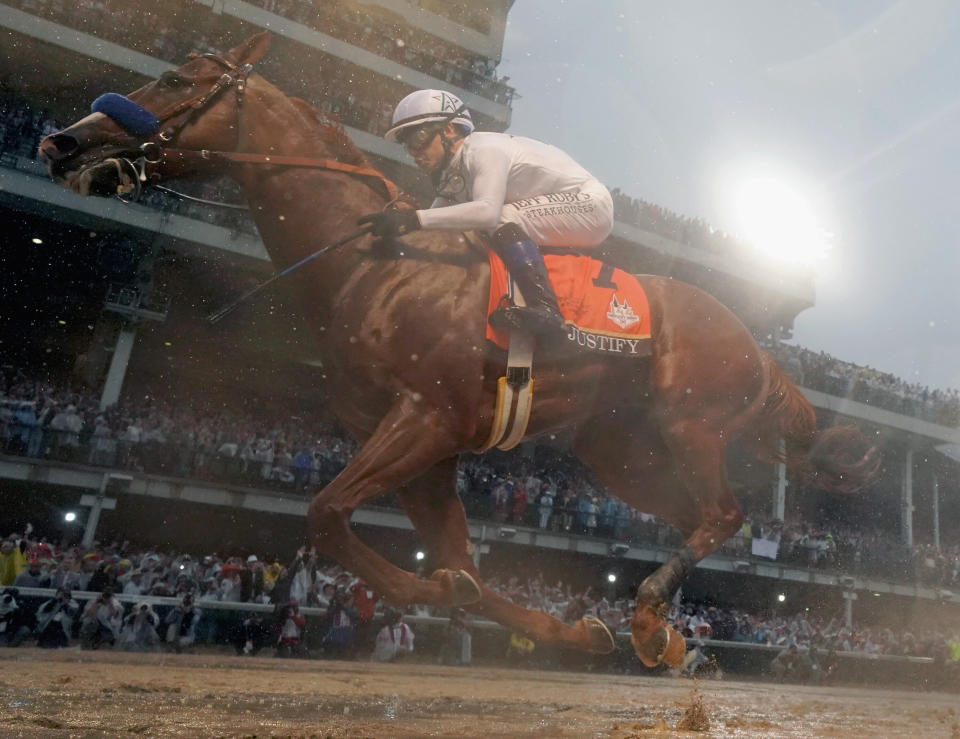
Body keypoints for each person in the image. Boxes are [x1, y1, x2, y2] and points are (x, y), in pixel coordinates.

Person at [358, 89, 614, 336]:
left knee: (502, 216)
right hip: (564, 207)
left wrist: (413, 219)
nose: (414, 153)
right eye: (407, 146)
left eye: (418, 139)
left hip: (591, 204)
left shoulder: (484, 149)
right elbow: (432, 224)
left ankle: (546, 309)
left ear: (448, 130)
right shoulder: (456, 174)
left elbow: (487, 213)